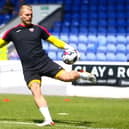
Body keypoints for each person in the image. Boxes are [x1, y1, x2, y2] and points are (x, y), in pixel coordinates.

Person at [0, 5, 96, 126]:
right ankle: (48, 120)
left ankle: (81, 74)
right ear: (21, 16)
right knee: (35, 91)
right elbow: (1, 43)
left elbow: (53, 40)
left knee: (66, 78)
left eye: (31, 15)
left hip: (44, 63)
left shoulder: (38, 29)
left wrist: (67, 47)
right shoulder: (12, 32)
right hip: (29, 69)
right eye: (27, 15)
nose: (29, 17)